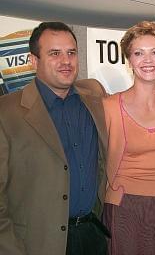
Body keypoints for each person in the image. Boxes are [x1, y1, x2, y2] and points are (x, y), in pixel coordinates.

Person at [0, 22, 110, 255]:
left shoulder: (94, 96)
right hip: (36, 245)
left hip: (94, 237)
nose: (66, 61)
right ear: (33, 60)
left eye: (71, 53)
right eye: (54, 53)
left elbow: (134, 99)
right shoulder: (5, 112)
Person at [101, 21, 155, 255]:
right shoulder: (109, 106)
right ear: (129, 60)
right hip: (124, 207)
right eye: (139, 53)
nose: (148, 60)